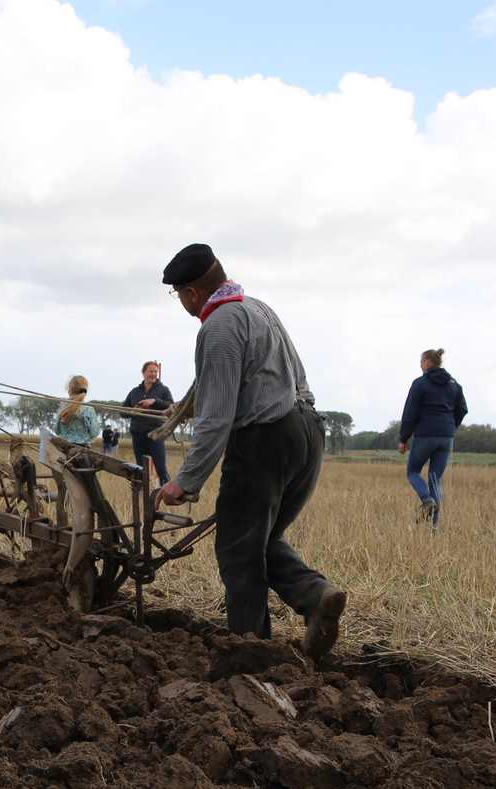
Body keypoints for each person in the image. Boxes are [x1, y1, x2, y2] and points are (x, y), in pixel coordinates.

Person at [153, 243, 347, 661]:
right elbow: (270, 378)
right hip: (307, 431)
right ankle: (316, 596)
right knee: (260, 538)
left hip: (264, 440)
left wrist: (185, 481)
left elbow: (216, 418)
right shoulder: (257, 308)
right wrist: (185, 407)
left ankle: (250, 653)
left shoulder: (219, 325)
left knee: (238, 551)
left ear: (190, 293)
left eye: (178, 294)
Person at [396, 348, 468, 526]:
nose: (420, 365)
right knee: (435, 480)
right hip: (446, 436)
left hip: (425, 434)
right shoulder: (454, 385)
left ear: (427, 362)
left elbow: (410, 413)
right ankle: (434, 527)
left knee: (413, 471)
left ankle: (427, 500)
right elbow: (462, 409)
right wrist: (451, 426)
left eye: (421, 362)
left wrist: (403, 439)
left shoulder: (420, 383)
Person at [123, 361, 174, 485]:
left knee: (161, 469)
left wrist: (154, 401)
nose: (153, 374)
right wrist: (133, 412)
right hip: (137, 434)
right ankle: (141, 493)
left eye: (156, 372)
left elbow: (171, 406)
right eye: (151, 371)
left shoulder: (164, 390)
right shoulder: (134, 391)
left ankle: (167, 492)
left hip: (155, 434)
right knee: (140, 469)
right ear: (143, 372)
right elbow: (122, 412)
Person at [53, 374, 100, 446]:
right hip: (82, 449)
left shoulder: (63, 408)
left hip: (64, 448)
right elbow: (94, 433)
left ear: (71, 390)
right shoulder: (89, 410)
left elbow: (57, 430)